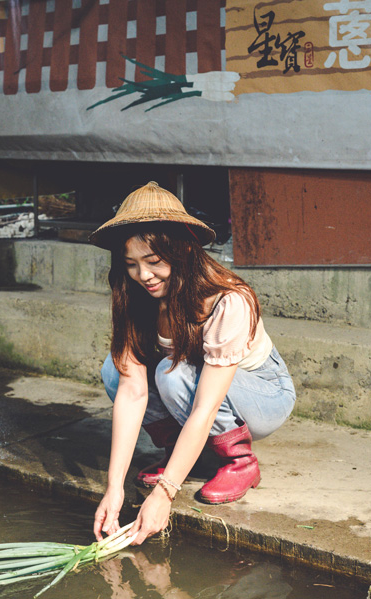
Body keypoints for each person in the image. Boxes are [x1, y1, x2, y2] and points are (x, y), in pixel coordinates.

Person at [89, 182, 296, 546]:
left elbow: (205, 407)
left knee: (173, 375)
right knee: (114, 369)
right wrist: (114, 489)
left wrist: (164, 494)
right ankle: (193, 459)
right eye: (132, 264)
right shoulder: (134, 294)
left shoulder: (227, 300)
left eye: (154, 261)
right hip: (192, 383)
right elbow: (132, 392)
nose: (144, 275)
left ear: (182, 251)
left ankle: (239, 463)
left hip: (262, 393)